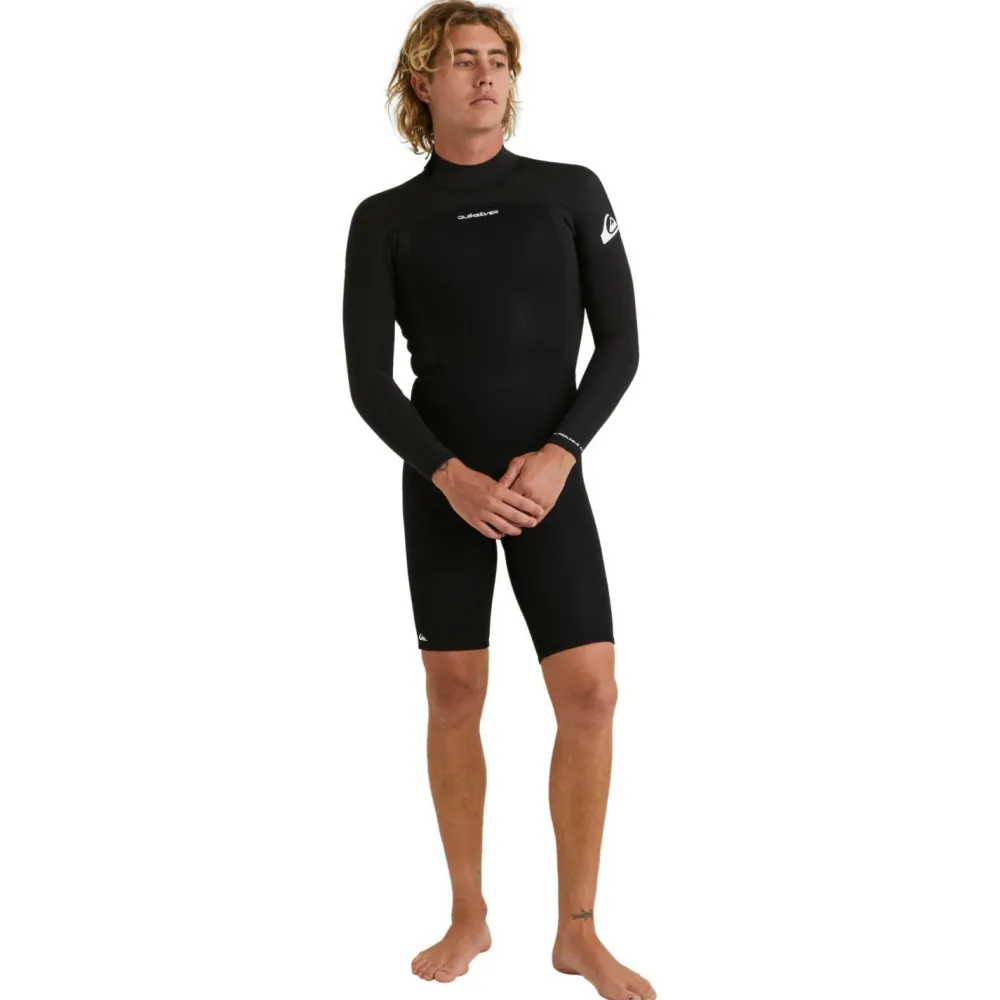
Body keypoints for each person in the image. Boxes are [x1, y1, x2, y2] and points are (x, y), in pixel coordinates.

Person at [343, 4, 651, 998]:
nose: (485, 75)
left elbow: (622, 346)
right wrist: (450, 475)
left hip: (546, 482)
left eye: (498, 60)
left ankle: (578, 931)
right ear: (421, 83)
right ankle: (468, 911)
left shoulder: (569, 192)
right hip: (446, 486)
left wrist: (561, 452)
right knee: (454, 695)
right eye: (462, 60)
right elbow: (369, 383)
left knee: (592, 692)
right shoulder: (385, 219)